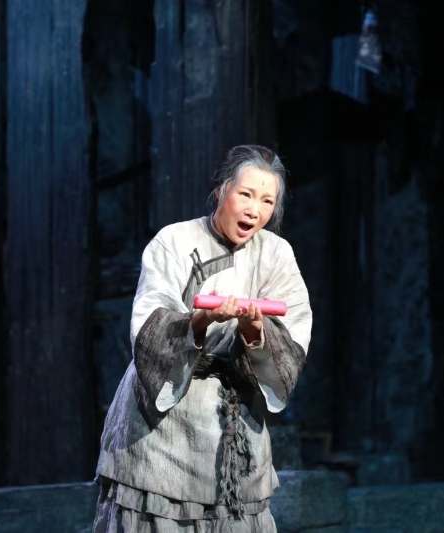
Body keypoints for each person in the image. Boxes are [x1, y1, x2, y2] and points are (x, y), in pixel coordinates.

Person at [92, 144, 312, 532]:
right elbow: (151, 324)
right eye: (245, 194)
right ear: (222, 190)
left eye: (267, 201)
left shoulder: (276, 254)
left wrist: (255, 331)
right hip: (164, 429)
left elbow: (291, 334)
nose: (254, 210)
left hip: (235, 419)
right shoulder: (174, 240)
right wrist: (199, 321)